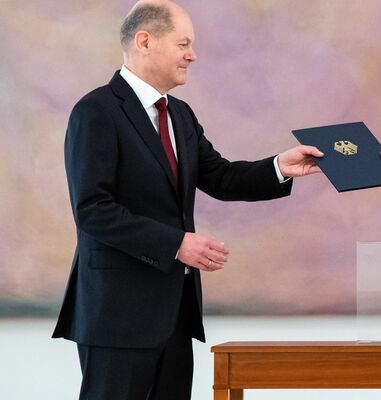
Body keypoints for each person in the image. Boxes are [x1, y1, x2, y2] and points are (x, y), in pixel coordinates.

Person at [51, 1, 323, 399]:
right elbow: (93, 210)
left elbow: (222, 177)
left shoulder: (180, 115)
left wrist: (281, 166)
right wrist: (176, 243)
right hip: (116, 316)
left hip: (174, 316)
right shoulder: (96, 112)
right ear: (145, 41)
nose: (192, 54)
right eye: (183, 44)